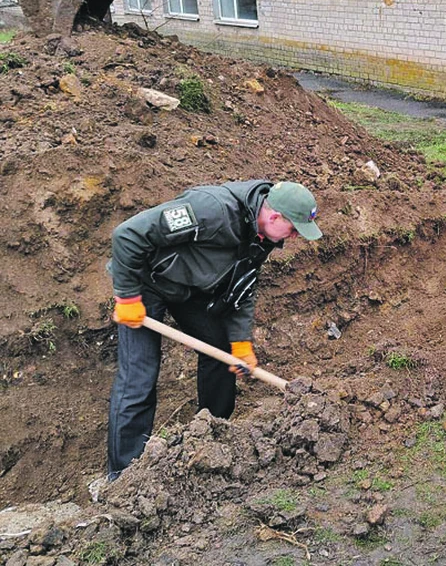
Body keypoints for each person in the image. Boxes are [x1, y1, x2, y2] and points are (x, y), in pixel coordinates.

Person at [105, 180, 322, 480]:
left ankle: (212, 433)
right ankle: (123, 475)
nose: (296, 237)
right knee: (139, 376)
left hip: (188, 289)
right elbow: (127, 235)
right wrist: (127, 296)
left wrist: (240, 342)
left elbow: (243, 287)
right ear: (274, 217)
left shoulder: (263, 236)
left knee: (222, 353)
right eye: (295, 229)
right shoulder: (211, 210)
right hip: (146, 282)